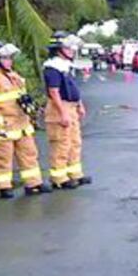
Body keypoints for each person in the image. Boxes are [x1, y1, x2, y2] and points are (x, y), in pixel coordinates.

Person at [0, 42, 50, 198]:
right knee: (3, 157)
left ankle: (33, 183)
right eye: (5, 58)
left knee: (29, 154)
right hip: (4, 124)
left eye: (10, 58)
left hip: (21, 123)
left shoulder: (12, 75)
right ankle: (3, 186)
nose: (9, 61)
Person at [44, 34, 92, 189]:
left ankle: (74, 174)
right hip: (60, 107)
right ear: (58, 50)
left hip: (71, 107)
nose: (71, 50)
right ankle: (59, 178)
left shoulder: (66, 66)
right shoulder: (53, 67)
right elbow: (54, 91)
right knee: (61, 144)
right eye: (67, 47)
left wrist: (79, 105)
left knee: (74, 142)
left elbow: (73, 89)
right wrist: (62, 113)